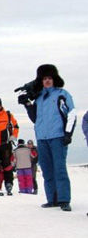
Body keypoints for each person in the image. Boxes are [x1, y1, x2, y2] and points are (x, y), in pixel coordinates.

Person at [23, 64, 76, 212]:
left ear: (54, 79)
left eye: (49, 78)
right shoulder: (39, 97)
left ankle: (64, 200)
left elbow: (71, 114)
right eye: (44, 78)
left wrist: (68, 133)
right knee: (46, 169)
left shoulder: (62, 94)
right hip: (42, 138)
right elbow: (35, 118)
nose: (47, 81)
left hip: (58, 136)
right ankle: (52, 199)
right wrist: (27, 104)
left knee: (59, 169)